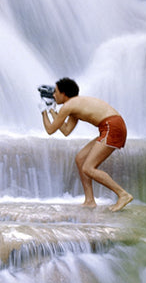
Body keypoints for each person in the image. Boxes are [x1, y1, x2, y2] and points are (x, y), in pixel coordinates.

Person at [41, 77, 133, 211]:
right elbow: (66, 130)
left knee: (88, 168)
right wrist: (51, 110)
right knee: (80, 159)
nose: (53, 95)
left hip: (112, 127)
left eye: (55, 92)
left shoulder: (68, 106)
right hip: (110, 126)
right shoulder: (74, 105)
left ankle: (123, 194)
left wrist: (43, 112)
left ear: (64, 94)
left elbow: (50, 130)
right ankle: (89, 200)